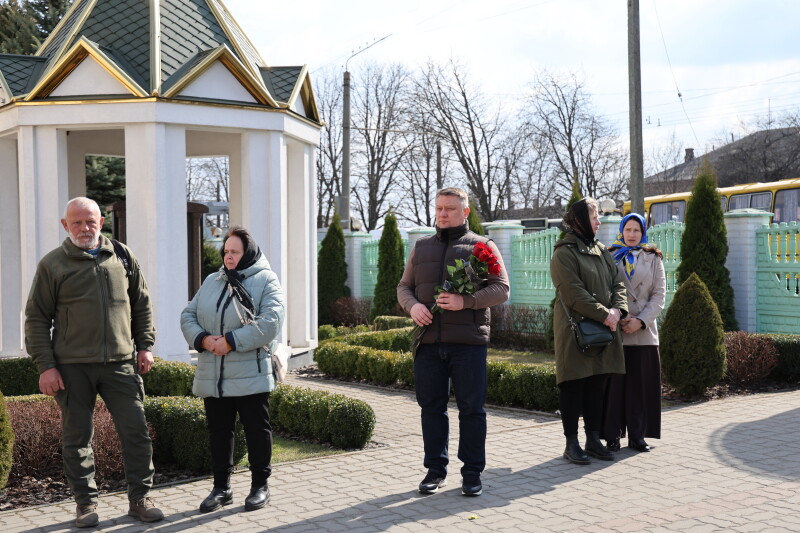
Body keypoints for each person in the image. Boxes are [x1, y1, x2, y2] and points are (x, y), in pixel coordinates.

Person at [24, 197, 162, 527]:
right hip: (72, 367)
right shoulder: (52, 265)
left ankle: (140, 499)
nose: (84, 228)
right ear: (65, 225)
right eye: (77, 222)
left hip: (120, 363)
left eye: (90, 221)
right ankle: (85, 504)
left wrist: (145, 346)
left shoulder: (123, 257)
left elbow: (141, 304)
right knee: (77, 438)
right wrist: (46, 366)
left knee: (136, 432)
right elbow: (36, 318)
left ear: (101, 222)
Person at [397, 187, 509, 497]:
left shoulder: (482, 246)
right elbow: (404, 287)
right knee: (431, 408)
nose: (443, 214)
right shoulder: (421, 248)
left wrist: (466, 301)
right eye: (439, 208)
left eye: (450, 208)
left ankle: (472, 473)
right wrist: (413, 307)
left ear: (465, 212)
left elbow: (501, 289)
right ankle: (435, 470)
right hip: (428, 343)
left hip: (468, 344)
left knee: (472, 410)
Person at [181, 226, 285, 513]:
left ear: (247, 252)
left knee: (256, 430)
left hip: (250, 374)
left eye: (235, 252)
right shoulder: (213, 280)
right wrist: (203, 339)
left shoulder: (266, 280)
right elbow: (188, 314)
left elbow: (270, 323)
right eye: (226, 251)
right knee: (219, 432)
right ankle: (222, 488)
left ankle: (259, 486)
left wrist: (230, 341)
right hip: (214, 375)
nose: (229, 257)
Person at [550, 198, 627, 465]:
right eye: (595, 218)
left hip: (604, 327)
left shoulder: (602, 250)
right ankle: (571, 444)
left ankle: (593, 439)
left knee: (597, 383)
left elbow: (618, 284)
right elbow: (573, 293)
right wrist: (605, 314)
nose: (599, 222)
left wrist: (618, 310)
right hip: (575, 328)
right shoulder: (564, 252)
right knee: (573, 385)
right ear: (581, 220)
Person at [602, 213, 665, 453]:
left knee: (640, 387)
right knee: (614, 387)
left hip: (643, 332)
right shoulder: (609, 256)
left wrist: (640, 321)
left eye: (636, 230)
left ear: (643, 233)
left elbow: (659, 295)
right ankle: (613, 435)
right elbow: (603, 290)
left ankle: (638, 436)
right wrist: (618, 317)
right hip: (616, 329)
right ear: (621, 231)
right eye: (627, 229)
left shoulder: (653, 258)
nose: (631, 234)